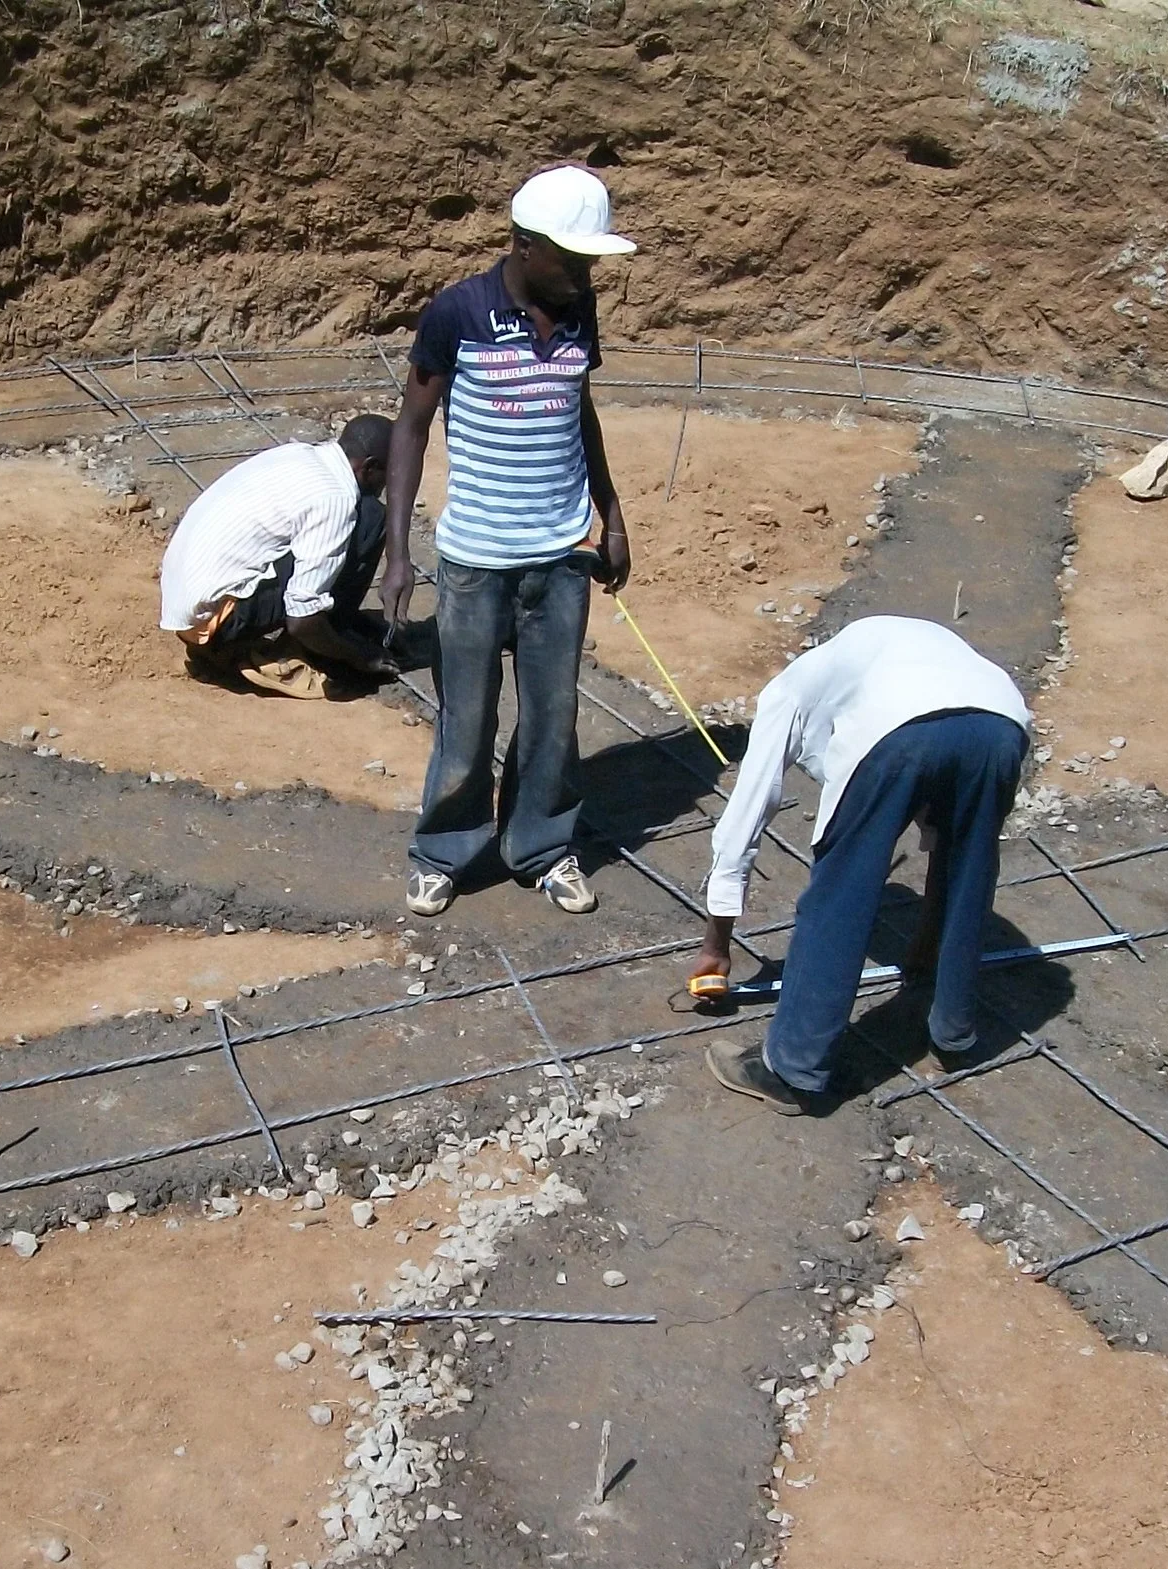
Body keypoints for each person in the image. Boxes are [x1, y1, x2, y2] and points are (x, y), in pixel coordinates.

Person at [380, 164, 634, 918]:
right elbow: (410, 429)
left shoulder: (579, 313)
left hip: (558, 560)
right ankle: (446, 849)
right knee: (468, 716)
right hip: (475, 564)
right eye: (575, 259)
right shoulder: (456, 315)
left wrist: (610, 515)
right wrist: (398, 555)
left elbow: (577, 413)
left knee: (553, 715)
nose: (587, 276)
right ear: (525, 247)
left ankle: (544, 847)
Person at [697, 614, 1032, 1114]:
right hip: (1002, 723)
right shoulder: (896, 648)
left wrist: (716, 947)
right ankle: (953, 1035)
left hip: (898, 732)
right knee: (973, 867)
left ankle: (792, 1069)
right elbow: (950, 847)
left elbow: (745, 816)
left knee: (842, 892)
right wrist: (925, 946)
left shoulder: (787, 693)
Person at [160, 414, 400, 698]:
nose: (389, 484)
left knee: (341, 530)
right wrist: (358, 655)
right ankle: (309, 652)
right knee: (371, 518)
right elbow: (302, 617)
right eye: (389, 474)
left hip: (186, 601)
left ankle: (320, 631)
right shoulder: (336, 497)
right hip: (216, 621)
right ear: (370, 467)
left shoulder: (299, 453)